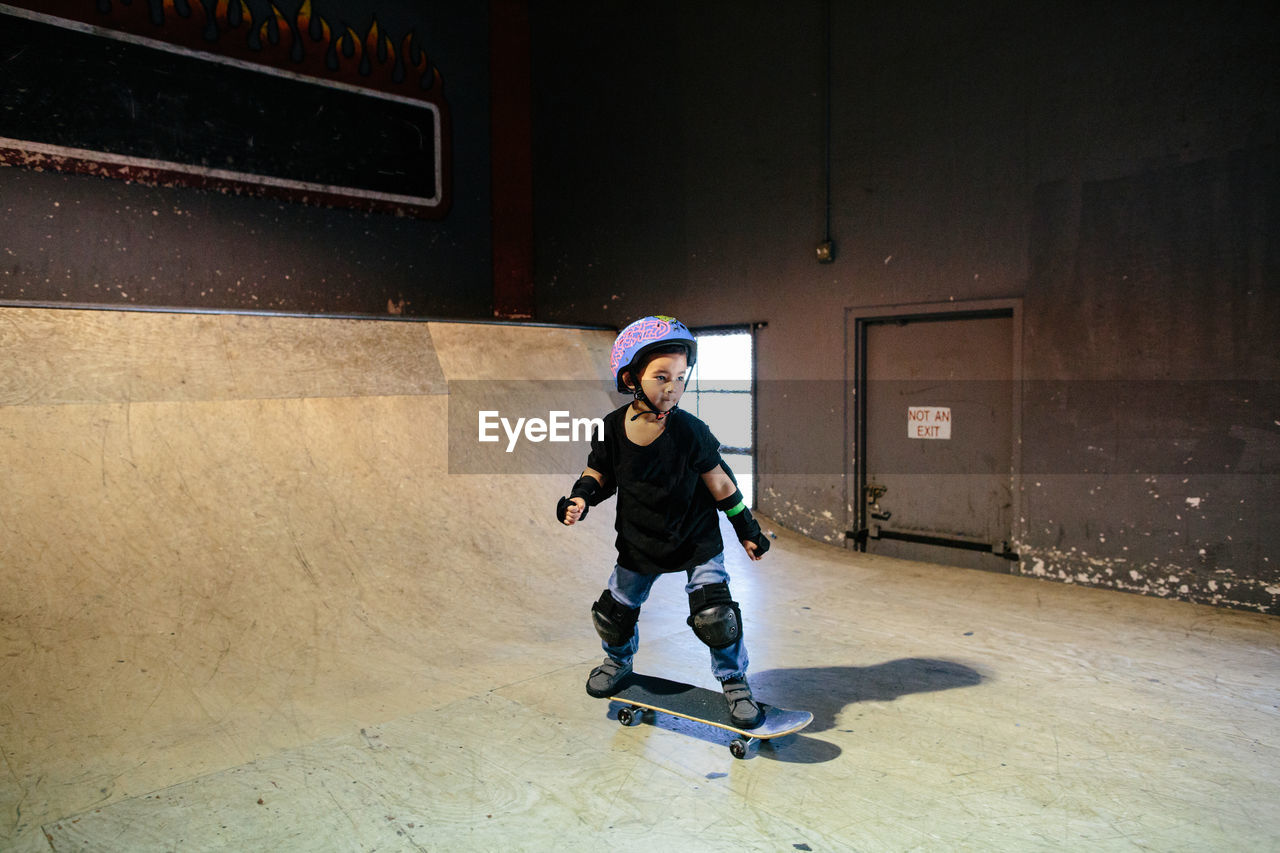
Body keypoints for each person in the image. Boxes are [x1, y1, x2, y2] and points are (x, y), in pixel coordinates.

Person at [557, 315, 771, 728]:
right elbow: (598, 473)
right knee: (613, 615)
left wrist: (748, 529)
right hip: (639, 542)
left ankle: (734, 680)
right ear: (631, 376)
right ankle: (618, 662)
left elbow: (721, 485)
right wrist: (580, 499)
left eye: (680, 376)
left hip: (695, 539)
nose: (673, 386)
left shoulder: (691, 431)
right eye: (661, 376)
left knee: (716, 616)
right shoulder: (610, 429)